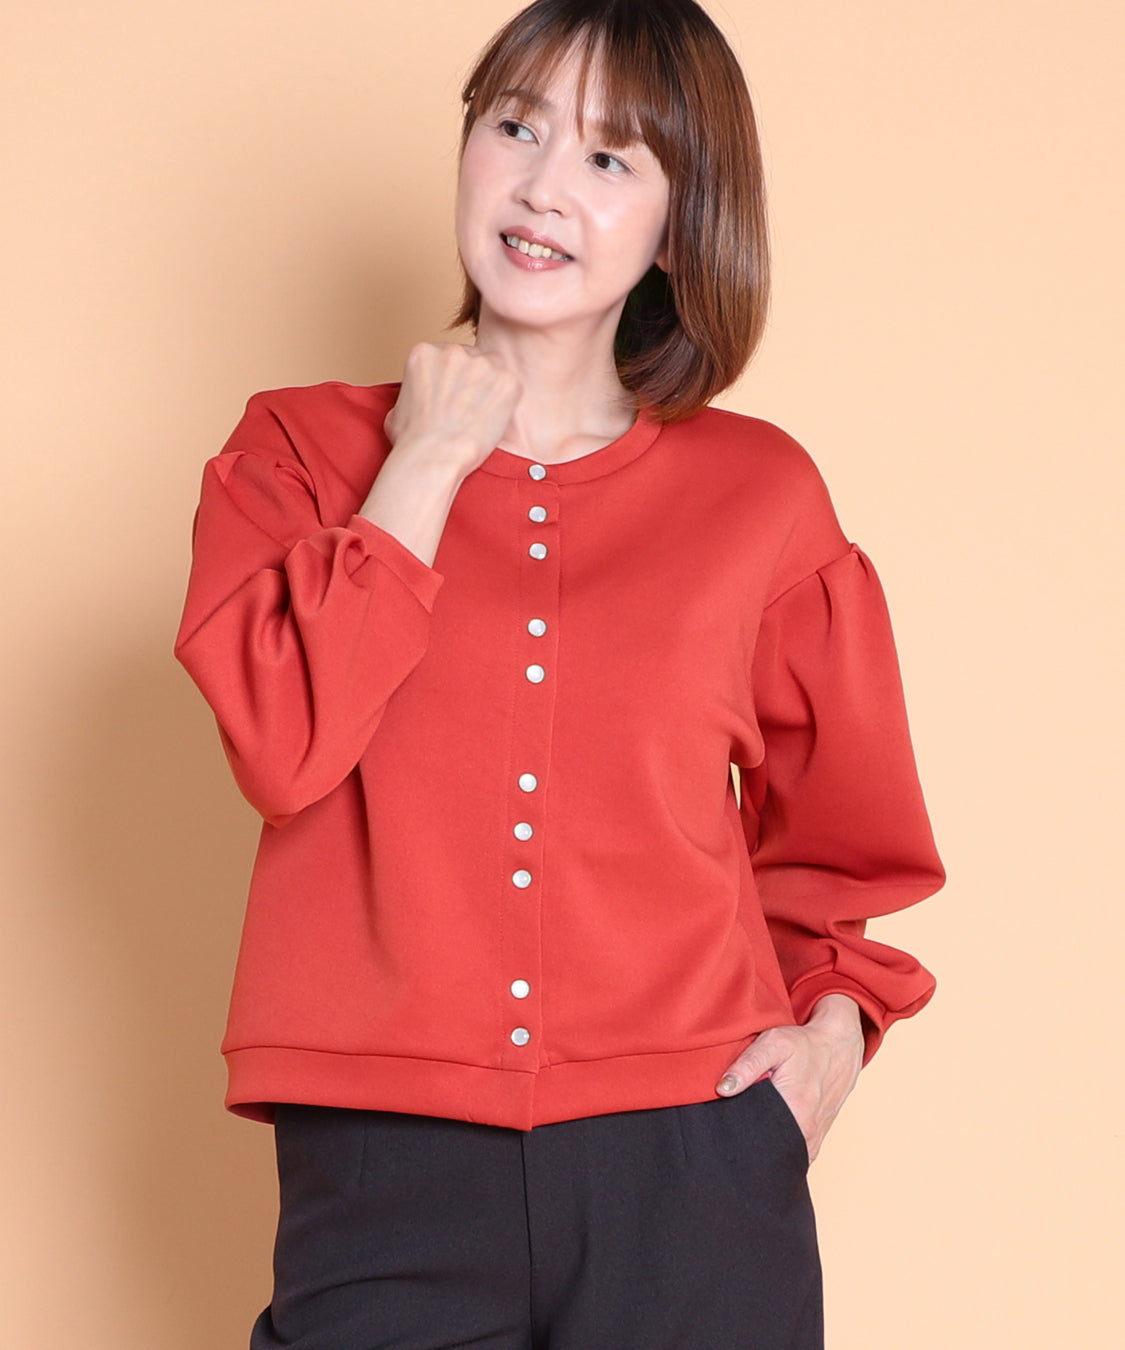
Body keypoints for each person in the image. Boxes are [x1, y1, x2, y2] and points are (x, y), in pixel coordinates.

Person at [175, 1, 944, 1346]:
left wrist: (829, 1038)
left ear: (678, 221)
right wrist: (424, 460)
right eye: (516, 128)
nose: (541, 186)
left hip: (694, 1156)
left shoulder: (762, 496)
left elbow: (845, 841)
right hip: (383, 1159)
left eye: (607, 157)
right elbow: (285, 749)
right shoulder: (296, 452)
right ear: (467, 149)